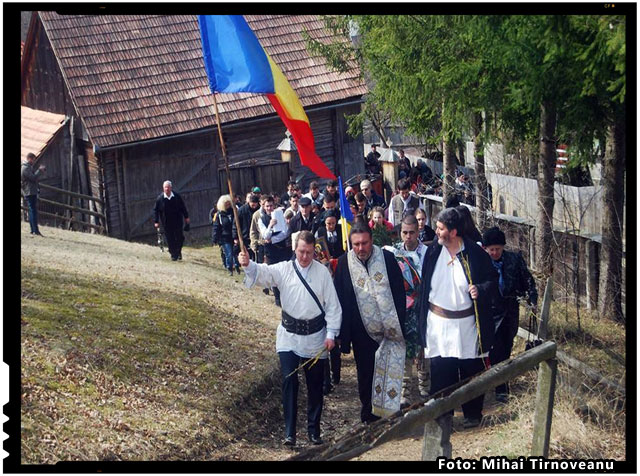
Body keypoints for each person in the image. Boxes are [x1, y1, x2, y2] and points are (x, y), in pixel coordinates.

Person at [238, 231, 342, 447]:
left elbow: (333, 306)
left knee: (315, 387)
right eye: (302, 252)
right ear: (295, 249)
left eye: (309, 253)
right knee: (289, 381)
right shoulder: (284, 269)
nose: (305, 257)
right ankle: (289, 433)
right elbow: (263, 272)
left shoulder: (322, 273)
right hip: (289, 337)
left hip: (315, 338)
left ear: (314, 251)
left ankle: (314, 431)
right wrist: (248, 264)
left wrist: (331, 334)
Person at [416, 208, 498, 429]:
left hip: (467, 324)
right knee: (442, 371)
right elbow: (424, 289)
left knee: (471, 371)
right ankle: (443, 417)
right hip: (438, 323)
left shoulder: (475, 254)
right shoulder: (433, 252)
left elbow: (493, 281)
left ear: (453, 232)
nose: (437, 231)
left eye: (441, 228)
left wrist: (479, 289)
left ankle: (472, 414)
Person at [333, 222, 407, 423]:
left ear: (371, 241)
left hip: (389, 327)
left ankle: (389, 411)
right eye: (356, 244)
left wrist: (399, 320)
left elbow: (399, 292)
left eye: (364, 243)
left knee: (389, 368)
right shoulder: (343, 263)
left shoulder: (388, 259)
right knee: (366, 373)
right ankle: (369, 414)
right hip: (361, 330)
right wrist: (342, 335)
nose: (360, 248)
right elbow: (340, 298)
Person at [482, 226, 538, 403]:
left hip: (509, 311)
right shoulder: (480, 262)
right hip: (489, 313)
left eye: (498, 249)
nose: (495, 252)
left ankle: (501, 384)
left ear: (503, 247)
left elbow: (528, 280)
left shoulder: (514, 260)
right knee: (493, 349)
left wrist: (532, 299)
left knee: (506, 348)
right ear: (485, 249)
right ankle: (498, 386)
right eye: (491, 249)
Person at [383, 215, 429, 407]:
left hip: (423, 306)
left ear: (418, 232)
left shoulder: (428, 252)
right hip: (403, 308)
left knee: (424, 348)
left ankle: (425, 385)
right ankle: (405, 391)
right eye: (404, 233)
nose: (408, 236)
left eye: (412, 233)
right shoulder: (394, 252)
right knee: (405, 350)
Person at [258, 195, 292, 307]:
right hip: (271, 252)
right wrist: (270, 226)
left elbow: (285, 233)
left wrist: (272, 240)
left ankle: (286, 297)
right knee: (274, 273)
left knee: (284, 273)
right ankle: (277, 298)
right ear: (264, 206)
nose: (269, 208)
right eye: (267, 206)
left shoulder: (279, 215)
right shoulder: (261, 219)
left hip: (282, 250)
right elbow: (265, 235)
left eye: (271, 205)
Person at [153, 180, 190, 261]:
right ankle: (173, 254)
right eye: (165, 187)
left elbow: (183, 207)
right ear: (163, 188)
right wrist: (156, 221)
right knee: (170, 239)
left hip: (177, 221)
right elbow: (156, 210)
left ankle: (178, 251)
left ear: (171, 188)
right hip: (166, 222)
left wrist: (186, 217)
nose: (166, 189)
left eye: (168, 187)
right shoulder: (160, 199)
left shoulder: (176, 197)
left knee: (180, 237)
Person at [213, 195, 241, 275]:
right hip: (224, 237)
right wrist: (215, 238)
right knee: (229, 253)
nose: (228, 205)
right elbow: (216, 227)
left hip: (234, 236)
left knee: (235, 252)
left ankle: (237, 266)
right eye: (226, 204)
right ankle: (229, 268)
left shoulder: (235, 212)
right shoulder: (219, 215)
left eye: (229, 204)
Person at [21, 152, 46, 236]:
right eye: (33, 159)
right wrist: (39, 170)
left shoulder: (28, 167)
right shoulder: (25, 168)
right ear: (29, 159)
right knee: (33, 211)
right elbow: (33, 178)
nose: (34, 161)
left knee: (32, 210)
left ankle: (33, 230)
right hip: (29, 192)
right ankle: (35, 230)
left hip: (31, 191)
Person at [233, 193, 261, 261]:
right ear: (249, 202)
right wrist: (235, 237)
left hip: (257, 235)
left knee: (257, 254)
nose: (254, 206)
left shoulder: (259, 210)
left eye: (255, 204)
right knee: (247, 255)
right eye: (252, 204)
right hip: (245, 235)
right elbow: (236, 223)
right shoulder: (242, 210)